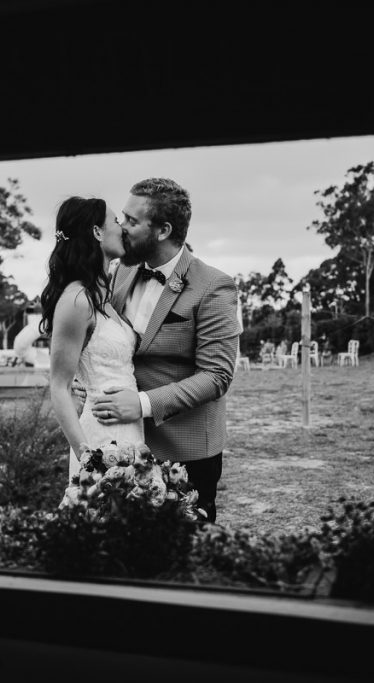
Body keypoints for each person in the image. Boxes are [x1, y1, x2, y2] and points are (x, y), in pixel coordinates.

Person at [83, 177, 241, 523]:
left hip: (185, 449)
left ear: (163, 230)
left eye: (132, 220)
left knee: (180, 548)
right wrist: (89, 378)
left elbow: (217, 376)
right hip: (121, 442)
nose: (121, 226)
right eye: (121, 217)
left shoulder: (214, 287)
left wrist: (140, 405)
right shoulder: (119, 271)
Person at [39, 197, 143, 484]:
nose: (121, 228)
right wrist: (88, 459)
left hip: (131, 433)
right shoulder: (77, 299)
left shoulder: (105, 296)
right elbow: (59, 386)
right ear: (97, 232)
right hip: (99, 438)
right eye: (115, 221)